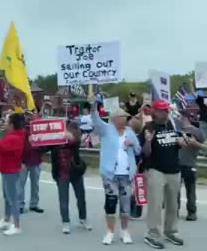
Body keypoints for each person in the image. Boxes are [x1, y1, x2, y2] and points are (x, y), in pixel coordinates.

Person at [92, 102, 141, 245]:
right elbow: (96, 119)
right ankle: (110, 231)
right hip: (110, 175)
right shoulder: (106, 129)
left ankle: (124, 231)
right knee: (111, 203)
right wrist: (94, 105)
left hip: (126, 175)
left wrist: (133, 144)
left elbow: (138, 150)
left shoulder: (130, 132)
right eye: (124, 117)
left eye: (127, 117)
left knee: (125, 206)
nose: (126, 119)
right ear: (116, 118)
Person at [140, 100, 187, 249]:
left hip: (174, 169)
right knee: (155, 204)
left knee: (173, 204)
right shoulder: (148, 127)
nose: (165, 113)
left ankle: (170, 231)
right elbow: (145, 152)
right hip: (156, 170)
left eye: (166, 110)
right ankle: (152, 234)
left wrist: (182, 141)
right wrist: (148, 141)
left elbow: (182, 140)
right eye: (162, 110)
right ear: (154, 112)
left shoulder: (173, 124)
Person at [46, 121, 91, 234]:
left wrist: (71, 137)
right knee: (63, 200)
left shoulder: (74, 140)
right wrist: (35, 138)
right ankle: (65, 222)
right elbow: (42, 147)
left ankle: (83, 219)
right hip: (61, 173)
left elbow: (75, 143)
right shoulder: (55, 140)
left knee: (81, 198)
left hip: (75, 172)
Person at [0, 113, 25, 236]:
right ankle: (7, 219)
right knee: (7, 197)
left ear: (12, 125)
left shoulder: (14, 138)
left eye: (7, 122)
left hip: (10, 172)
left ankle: (17, 226)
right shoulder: (12, 135)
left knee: (12, 199)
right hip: (6, 171)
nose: (4, 124)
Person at [177, 113, 204, 221]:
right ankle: (175, 210)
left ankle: (192, 212)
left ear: (186, 118)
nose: (179, 119)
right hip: (177, 163)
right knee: (175, 189)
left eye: (181, 117)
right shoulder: (176, 130)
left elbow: (204, 145)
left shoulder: (197, 132)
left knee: (191, 189)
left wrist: (195, 143)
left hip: (190, 163)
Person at [17, 115, 44, 214]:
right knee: (20, 184)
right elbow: (18, 146)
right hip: (23, 162)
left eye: (31, 117)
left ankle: (34, 204)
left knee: (35, 185)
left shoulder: (40, 131)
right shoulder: (21, 130)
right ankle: (20, 204)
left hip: (36, 161)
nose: (29, 119)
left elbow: (44, 145)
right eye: (28, 117)